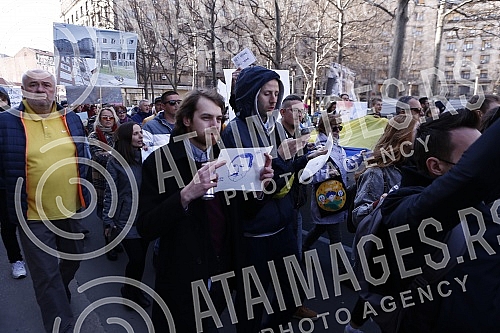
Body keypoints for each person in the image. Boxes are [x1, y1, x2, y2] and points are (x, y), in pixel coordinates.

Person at [137, 89, 273, 332]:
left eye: (219, 119)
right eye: (207, 118)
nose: (215, 125)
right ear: (187, 119)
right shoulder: (160, 162)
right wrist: (186, 195)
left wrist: (259, 188)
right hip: (182, 274)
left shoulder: (227, 158)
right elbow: (146, 227)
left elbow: (244, 213)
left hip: (224, 269)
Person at [376, 108, 500, 332]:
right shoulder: (402, 207)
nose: (482, 163)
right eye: (471, 158)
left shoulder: (484, 203)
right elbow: (468, 181)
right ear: (436, 166)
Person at [222, 66, 319, 331]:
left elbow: (280, 167)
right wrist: (285, 164)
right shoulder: (235, 130)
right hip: (254, 232)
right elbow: (247, 182)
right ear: (252, 94)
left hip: (283, 224)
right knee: (252, 299)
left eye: (277, 93)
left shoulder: (275, 127)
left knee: (287, 295)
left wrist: (307, 159)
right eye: (267, 93)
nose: (274, 99)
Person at [0, 69, 90, 333]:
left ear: (54, 89)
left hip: (70, 210)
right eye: (33, 85)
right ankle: (61, 325)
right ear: (24, 89)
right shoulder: (6, 122)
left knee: (74, 259)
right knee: (45, 276)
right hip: (32, 216)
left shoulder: (70, 118)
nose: (40, 89)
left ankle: (58, 293)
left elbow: (82, 153)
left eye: (46, 85)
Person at [345, 114, 418, 333]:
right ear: (403, 138)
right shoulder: (377, 172)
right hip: (379, 248)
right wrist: (381, 202)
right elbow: (358, 215)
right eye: (417, 132)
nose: (422, 137)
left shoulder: (414, 167)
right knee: (383, 302)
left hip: (402, 246)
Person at [102, 122, 150, 308]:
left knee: (141, 261)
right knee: (136, 259)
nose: (140, 137)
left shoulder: (146, 156)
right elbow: (110, 191)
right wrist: (108, 220)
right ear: (126, 138)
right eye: (136, 134)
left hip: (145, 217)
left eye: (141, 133)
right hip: (125, 219)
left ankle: (133, 290)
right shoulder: (115, 162)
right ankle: (129, 292)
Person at [302, 114, 348, 267]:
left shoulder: (335, 145)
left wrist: (360, 158)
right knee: (336, 236)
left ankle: (303, 247)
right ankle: (343, 270)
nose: (338, 131)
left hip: (336, 195)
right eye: (335, 128)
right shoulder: (319, 148)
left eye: (339, 128)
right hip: (327, 198)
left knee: (320, 228)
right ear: (325, 128)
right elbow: (311, 175)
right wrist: (329, 174)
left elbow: (343, 166)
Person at [0, 86, 27, 279]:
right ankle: (16, 260)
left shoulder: (16, 121)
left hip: (22, 180)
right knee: (8, 225)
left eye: (2, 98)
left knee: (30, 223)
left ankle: (40, 258)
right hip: (2, 185)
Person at [88, 106, 121, 261]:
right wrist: (119, 156)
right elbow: (99, 155)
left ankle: (118, 239)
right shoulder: (94, 135)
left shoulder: (121, 133)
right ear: (99, 119)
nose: (108, 120)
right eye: (104, 117)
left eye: (110, 117)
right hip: (103, 178)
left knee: (121, 210)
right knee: (107, 212)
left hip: (121, 179)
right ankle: (110, 244)